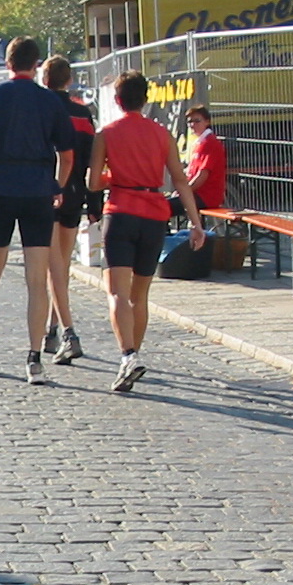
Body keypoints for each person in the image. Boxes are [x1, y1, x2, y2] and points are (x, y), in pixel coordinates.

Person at [0, 36, 75, 386]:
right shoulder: (50, 101)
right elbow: (67, 155)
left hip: (0, 185)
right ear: (37, 66)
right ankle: (34, 360)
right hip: (38, 189)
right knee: (36, 279)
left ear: (7, 64)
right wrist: (59, 186)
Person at [88, 70, 205, 393]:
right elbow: (181, 181)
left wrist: (115, 176)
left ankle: (128, 355)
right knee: (140, 295)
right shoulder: (162, 134)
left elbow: (93, 182)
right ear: (146, 99)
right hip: (154, 215)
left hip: (121, 213)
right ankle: (132, 357)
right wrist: (196, 224)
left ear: (117, 100)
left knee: (116, 294)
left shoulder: (106, 134)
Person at [41, 57, 98, 365]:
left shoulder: (39, 107)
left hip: (48, 190)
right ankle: (51, 329)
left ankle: (68, 332)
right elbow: (91, 160)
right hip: (76, 191)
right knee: (61, 265)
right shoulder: (82, 112)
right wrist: (94, 201)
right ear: (69, 80)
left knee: (54, 266)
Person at [171, 105, 225, 226]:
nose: (192, 125)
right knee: (162, 204)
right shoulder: (200, 142)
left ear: (207, 122)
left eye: (197, 121)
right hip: (197, 194)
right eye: (190, 121)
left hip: (206, 197)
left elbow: (202, 175)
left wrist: (185, 192)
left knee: (163, 208)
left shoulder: (209, 143)